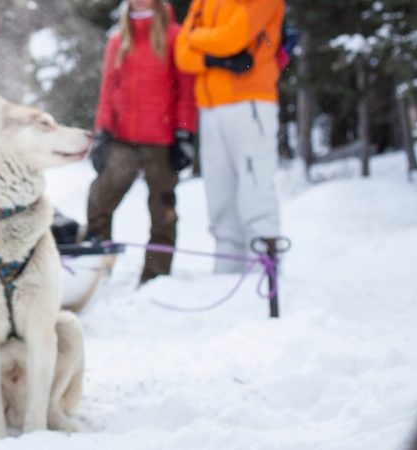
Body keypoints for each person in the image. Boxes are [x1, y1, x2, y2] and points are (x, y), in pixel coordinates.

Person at [87, 0, 197, 284]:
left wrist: (184, 133)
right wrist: (102, 132)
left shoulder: (174, 36)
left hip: (162, 139)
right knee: (100, 200)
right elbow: (107, 92)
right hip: (123, 138)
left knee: (162, 211)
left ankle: (155, 274)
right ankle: (98, 270)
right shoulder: (118, 39)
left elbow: (185, 91)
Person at [175, 0, 285, 273]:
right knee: (219, 193)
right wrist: (213, 59)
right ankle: (226, 270)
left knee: (255, 187)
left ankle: (265, 269)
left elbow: (233, 37)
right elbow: (181, 53)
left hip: (250, 102)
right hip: (210, 106)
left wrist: (197, 38)